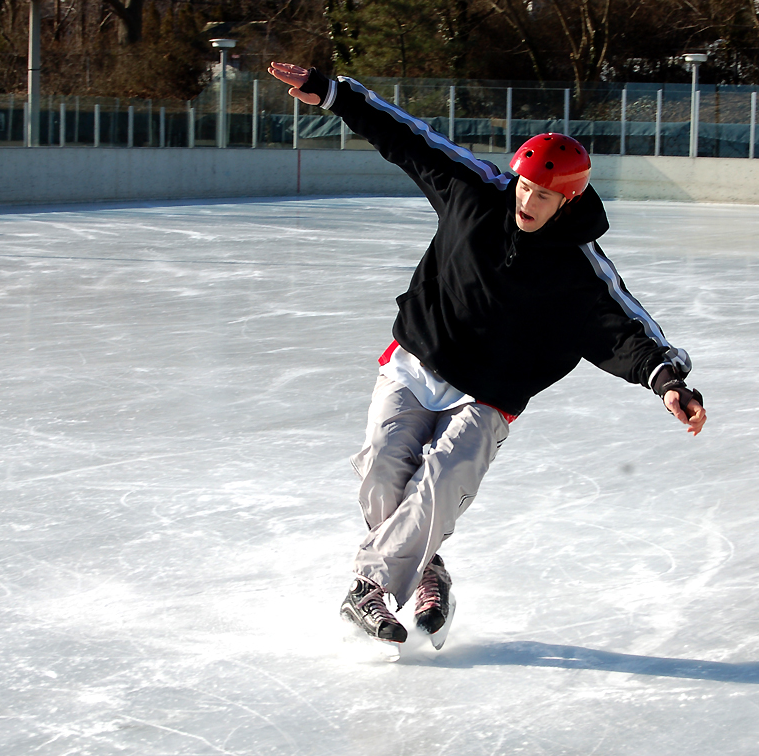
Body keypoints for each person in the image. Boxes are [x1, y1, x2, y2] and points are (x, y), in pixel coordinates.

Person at [268, 62, 707, 649]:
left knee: (445, 477)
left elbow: (624, 325)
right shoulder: (474, 190)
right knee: (381, 469)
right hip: (419, 356)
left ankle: (368, 585)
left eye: (545, 195)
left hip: (491, 390)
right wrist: (334, 93)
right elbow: (409, 137)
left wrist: (667, 379)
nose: (528, 199)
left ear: (568, 201)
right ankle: (426, 570)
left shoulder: (577, 268)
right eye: (526, 185)